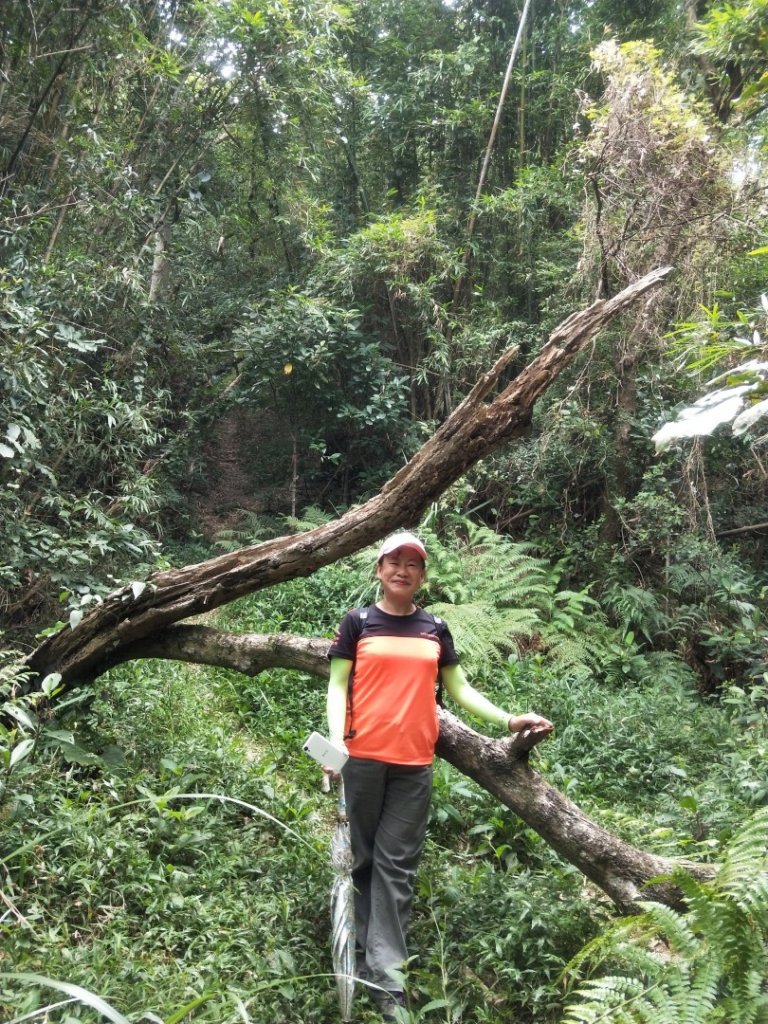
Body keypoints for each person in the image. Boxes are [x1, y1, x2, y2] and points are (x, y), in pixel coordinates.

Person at [325, 531, 553, 1020]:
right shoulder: (357, 623)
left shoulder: (435, 629)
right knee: (363, 858)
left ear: (423, 575)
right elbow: (337, 686)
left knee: (397, 868)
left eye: (413, 563)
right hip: (362, 757)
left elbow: (460, 689)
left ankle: (387, 984)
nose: (402, 570)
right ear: (379, 569)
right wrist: (336, 741)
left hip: (413, 764)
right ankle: (363, 951)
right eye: (394, 561)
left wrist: (510, 720)